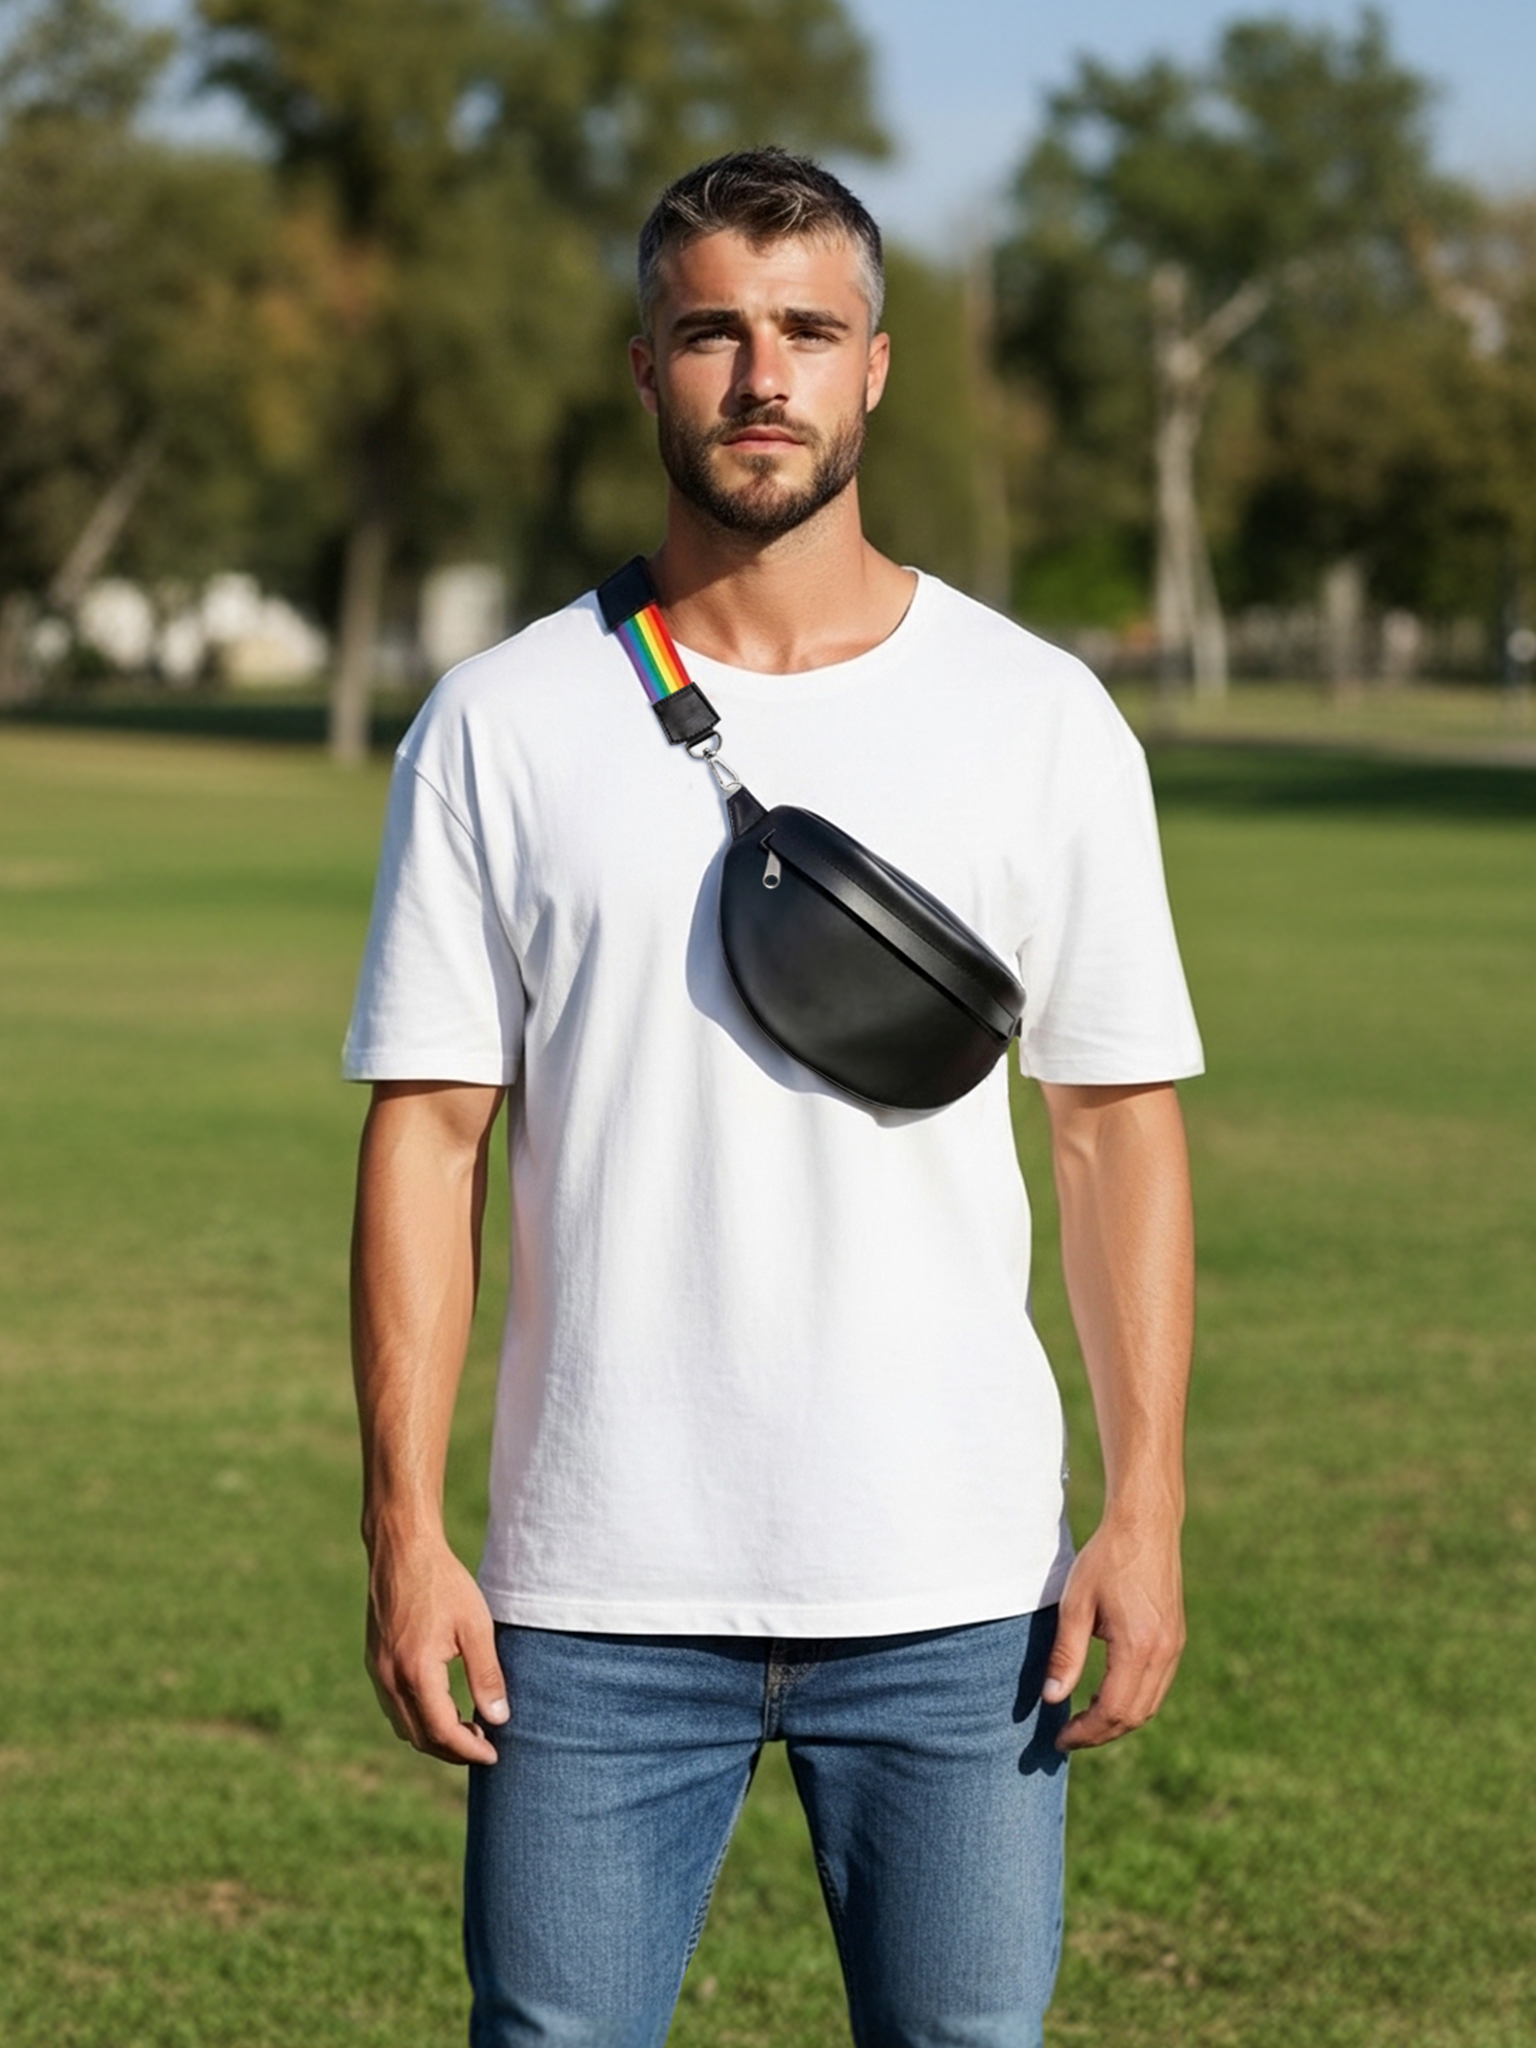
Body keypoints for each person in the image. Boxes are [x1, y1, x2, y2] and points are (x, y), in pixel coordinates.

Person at [344, 147, 1202, 2048]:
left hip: (958, 1586)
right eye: (712, 331)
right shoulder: (499, 722)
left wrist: (1143, 1507)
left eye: (808, 330)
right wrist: (406, 1528)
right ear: (642, 365)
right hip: (591, 1597)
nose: (761, 377)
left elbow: (1112, 1125)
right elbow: (428, 1137)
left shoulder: (1039, 714)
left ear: (874, 367)